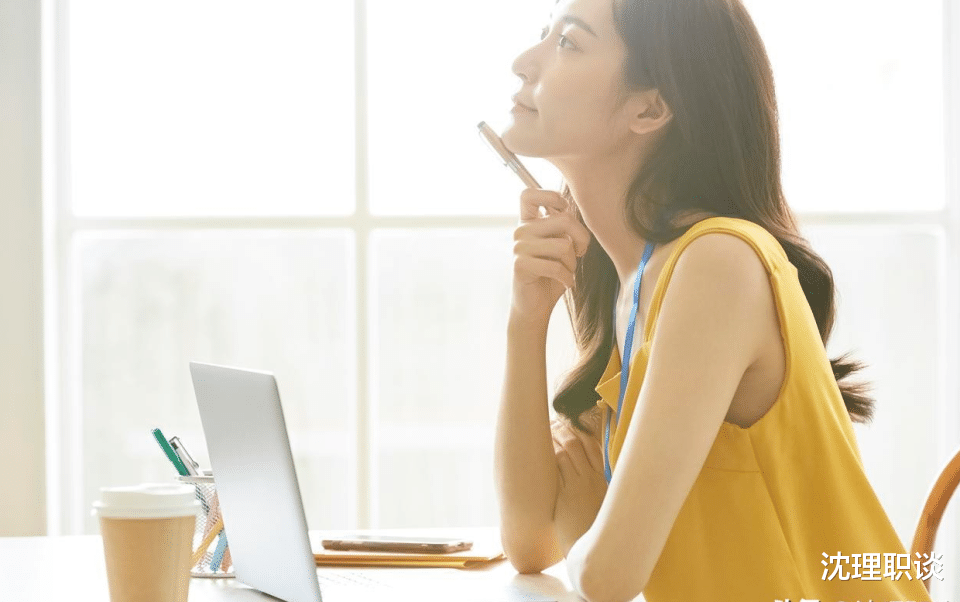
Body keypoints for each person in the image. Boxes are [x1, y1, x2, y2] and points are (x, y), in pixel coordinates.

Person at [492, 0, 934, 601]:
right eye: (543, 36)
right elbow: (529, 538)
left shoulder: (716, 264)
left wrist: (588, 530)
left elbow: (605, 575)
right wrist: (526, 318)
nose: (524, 61)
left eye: (568, 43)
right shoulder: (635, 286)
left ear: (650, 108)